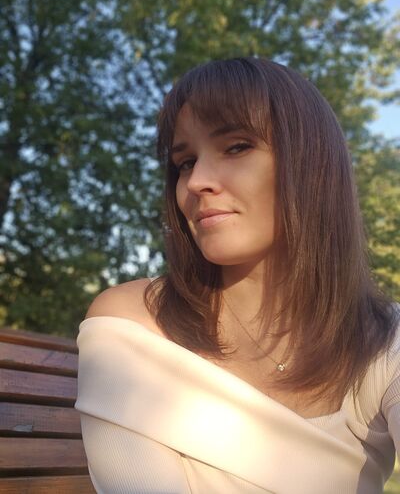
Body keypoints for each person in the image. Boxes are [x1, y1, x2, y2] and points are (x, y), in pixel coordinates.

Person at [74, 57, 399, 494]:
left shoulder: (383, 343)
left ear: (314, 165)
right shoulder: (133, 324)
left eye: (236, 147)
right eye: (185, 162)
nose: (196, 182)